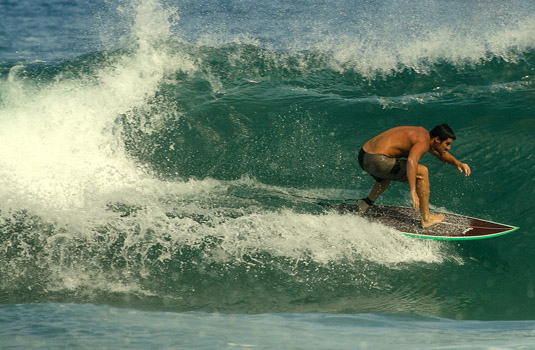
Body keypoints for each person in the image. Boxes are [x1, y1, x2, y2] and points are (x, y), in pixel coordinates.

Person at [357, 124, 471, 228]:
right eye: (447, 144)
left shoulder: (422, 134)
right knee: (422, 172)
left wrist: (458, 163)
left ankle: (366, 203)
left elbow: (441, 155)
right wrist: (413, 190)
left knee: (387, 175)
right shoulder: (423, 142)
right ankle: (426, 218)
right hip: (377, 161)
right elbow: (412, 161)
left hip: (364, 156)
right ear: (437, 140)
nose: (449, 148)